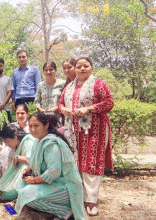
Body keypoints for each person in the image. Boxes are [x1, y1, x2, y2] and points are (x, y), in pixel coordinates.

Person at [58, 57, 114, 216]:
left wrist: (89, 109)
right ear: (75, 69)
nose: (82, 69)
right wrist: (64, 110)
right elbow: (60, 103)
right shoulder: (69, 86)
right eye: (79, 66)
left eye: (86, 66)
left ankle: (91, 201)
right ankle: (78, 197)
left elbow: (109, 103)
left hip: (94, 131)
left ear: (91, 67)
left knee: (91, 162)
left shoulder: (99, 84)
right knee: (75, 164)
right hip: (74, 131)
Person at [13, 112, 86, 220]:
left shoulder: (51, 144)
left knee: (26, 195)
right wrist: (29, 170)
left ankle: (66, 212)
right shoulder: (38, 141)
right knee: (21, 188)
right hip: (52, 184)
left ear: (46, 125)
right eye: (30, 126)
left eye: (36, 125)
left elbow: (54, 172)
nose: (33, 129)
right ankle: (62, 209)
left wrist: (34, 179)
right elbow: (37, 161)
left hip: (65, 188)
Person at [0, 124, 35, 202]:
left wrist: (17, 158)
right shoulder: (16, 145)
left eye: (7, 141)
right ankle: (0, 192)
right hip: (22, 171)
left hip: (31, 173)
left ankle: (2, 194)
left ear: (15, 137)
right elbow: (12, 170)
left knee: (12, 191)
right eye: (4, 142)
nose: (6, 144)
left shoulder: (28, 142)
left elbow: (31, 161)